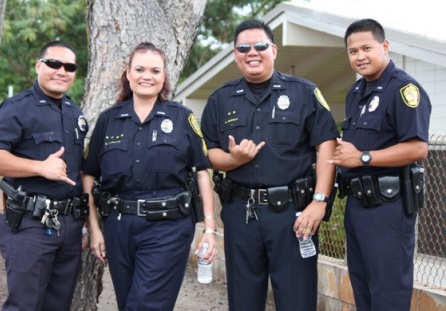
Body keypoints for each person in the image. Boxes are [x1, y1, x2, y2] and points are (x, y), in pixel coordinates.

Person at [201, 19, 339, 311]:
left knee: (296, 299)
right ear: (235, 54)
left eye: (260, 45)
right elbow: (210, 153)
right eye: (244, 47)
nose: (253, 52)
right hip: (241, 213)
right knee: (243, 300)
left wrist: (320, 201)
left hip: (293, 214)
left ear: (273, 50)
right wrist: (233, 160)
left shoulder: (303, 93)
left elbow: (327, 144)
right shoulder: (220, 99)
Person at [82, 42, 217, 311]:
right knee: (128, 303)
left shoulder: (182, 118)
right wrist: (94, 228)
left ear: (164, 75)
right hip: (119, 227)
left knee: (145, 305)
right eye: (140, 69)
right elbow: (88, 174)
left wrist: (210, 229)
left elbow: (203, 172)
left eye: (155, 70)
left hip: (167, 227)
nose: (147, 76)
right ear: (128, 73)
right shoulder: (108, 120)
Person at [329, 19, 432, 310]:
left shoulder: (404, 89)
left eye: (366, 48)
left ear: (384, 46)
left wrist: (362, 157)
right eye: (352, 51)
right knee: (362, 290)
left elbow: (418, 148)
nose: (359, 56)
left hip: (389, 209)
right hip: (358, 206)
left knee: (388, 294)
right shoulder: (356, 93)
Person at [0, 41, 89, 311]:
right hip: (30, 225)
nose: (61, 71)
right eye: (54, 64)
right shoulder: (18, 107)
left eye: (69, 66)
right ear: (39, 66)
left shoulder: (75, 113)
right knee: (24, 305)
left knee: (58, 305)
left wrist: (83, 224)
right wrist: (39, 167)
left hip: (69, 225)